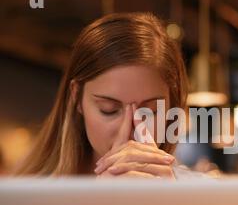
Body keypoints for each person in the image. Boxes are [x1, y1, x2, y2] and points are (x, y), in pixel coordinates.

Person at [13, 12, 205, 179]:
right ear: (76, 98)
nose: (128, 132)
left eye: (150, 113)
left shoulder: (202, 196)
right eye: (109, 110)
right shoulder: (28, 199)